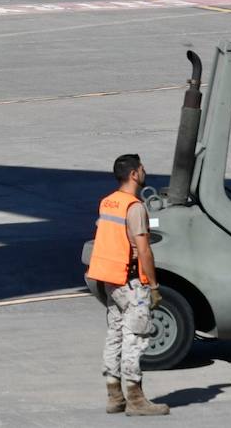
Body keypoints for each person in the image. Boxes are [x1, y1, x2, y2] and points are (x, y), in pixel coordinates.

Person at [85, 153, 170, 416]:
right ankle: (136, 399)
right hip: (132, 282)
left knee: (115, 336)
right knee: (135, 338)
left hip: (111, 281)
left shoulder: (107, 203)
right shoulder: (134, 207)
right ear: (134, 174)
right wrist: (153, 286)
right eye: (142, 169)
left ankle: (114, 396)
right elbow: (144, 250)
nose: (145, 172)